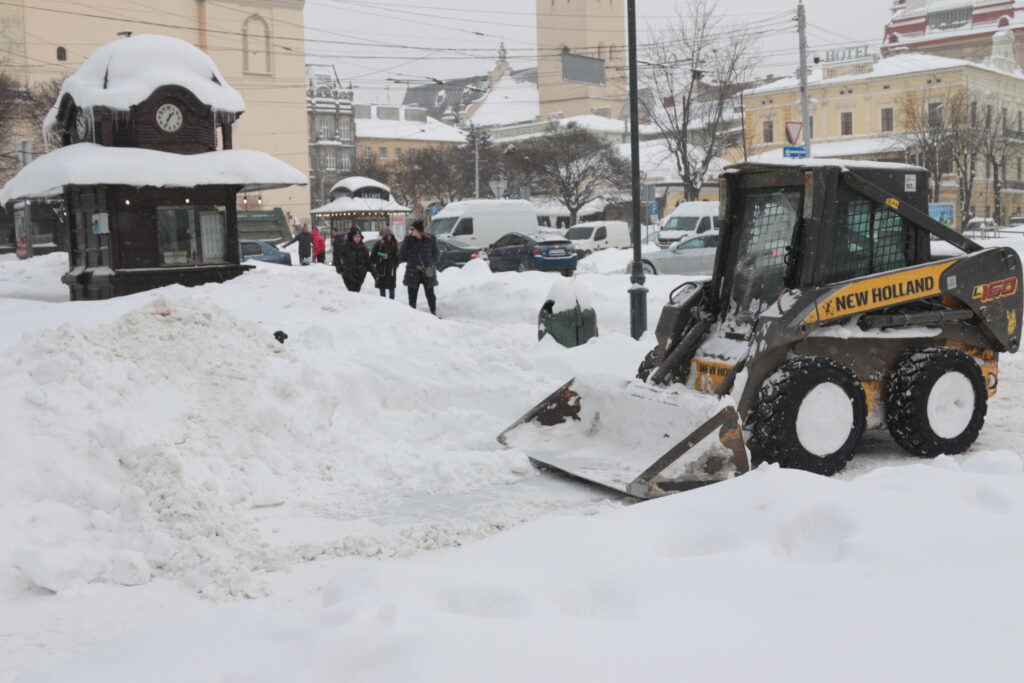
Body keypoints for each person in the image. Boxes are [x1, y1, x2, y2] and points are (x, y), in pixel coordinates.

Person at [400, 220, 440, 314]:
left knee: (430, 294)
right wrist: (411, 261)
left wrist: (429, 263)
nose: (411, 231)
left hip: (428, 270)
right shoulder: (408, 240)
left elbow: (436, 255)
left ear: (418, 230)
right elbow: (402, 254)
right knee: (412, 295)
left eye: (412, 229)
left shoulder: (431, 239)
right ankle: (413, 314)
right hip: (413, 271)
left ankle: (433, 312)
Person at [371, 227, 400, 299]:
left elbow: (397, 257)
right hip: (382, 270)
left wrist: (395, 265)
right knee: (382, 293)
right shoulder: (379, 244)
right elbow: (373, 256)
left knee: (392, 292)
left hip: (391, 271)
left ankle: (392, 304)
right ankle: (383, 304)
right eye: (387, 236)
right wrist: (381, 257)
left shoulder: (394, 244)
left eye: (390, 235)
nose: (389, 237)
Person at [340, 227, 371, 292]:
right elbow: (339, 257)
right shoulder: (345, 246)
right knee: (353, 291)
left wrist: (373, 272)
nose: (357, 238)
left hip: (360, 274)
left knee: (356, 291)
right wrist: (341, 270)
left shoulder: (363, 247)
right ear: (352, 237)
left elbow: (368, 261)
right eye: (355, 236)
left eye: (359, 236)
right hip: (349, 274)